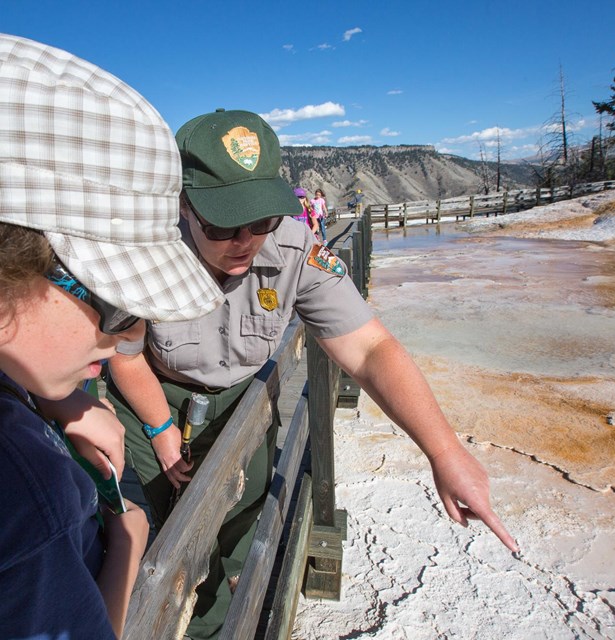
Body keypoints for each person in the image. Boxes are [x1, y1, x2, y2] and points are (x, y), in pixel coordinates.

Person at [106, 109, 518, 640]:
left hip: (241, 396)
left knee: (246, 506)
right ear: (184, 204)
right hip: (154, 397)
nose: (245, 240)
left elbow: (370, 349)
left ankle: (229, 587)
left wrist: (444, 451)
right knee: (178, 527)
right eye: (223, 223)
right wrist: (162, 431)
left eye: (262, 220)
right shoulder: (144, 253)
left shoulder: (297, 248)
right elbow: (124, 353)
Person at [0, 34, 223, 640]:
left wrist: (58, 398)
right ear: (14, 266)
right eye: (120, 306)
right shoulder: (22, 488)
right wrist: (127, 544)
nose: (129, 339)